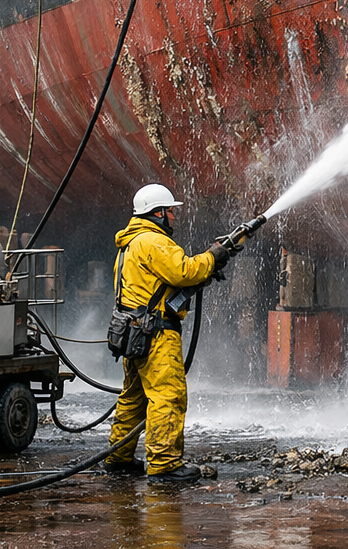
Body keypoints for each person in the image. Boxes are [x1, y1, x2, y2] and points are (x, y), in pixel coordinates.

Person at [105, 183, 232, 480]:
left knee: (133, 398)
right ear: (158, 213)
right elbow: (184, 271)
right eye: (171, 211)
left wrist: (209, 269)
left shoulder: (131, 242)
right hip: (156, 336)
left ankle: (119, 457)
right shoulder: (153, 241)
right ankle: (164, 463)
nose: (174, 217)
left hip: (135, 334)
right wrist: (212, 257)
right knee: (167, 395)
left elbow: (164, 285)